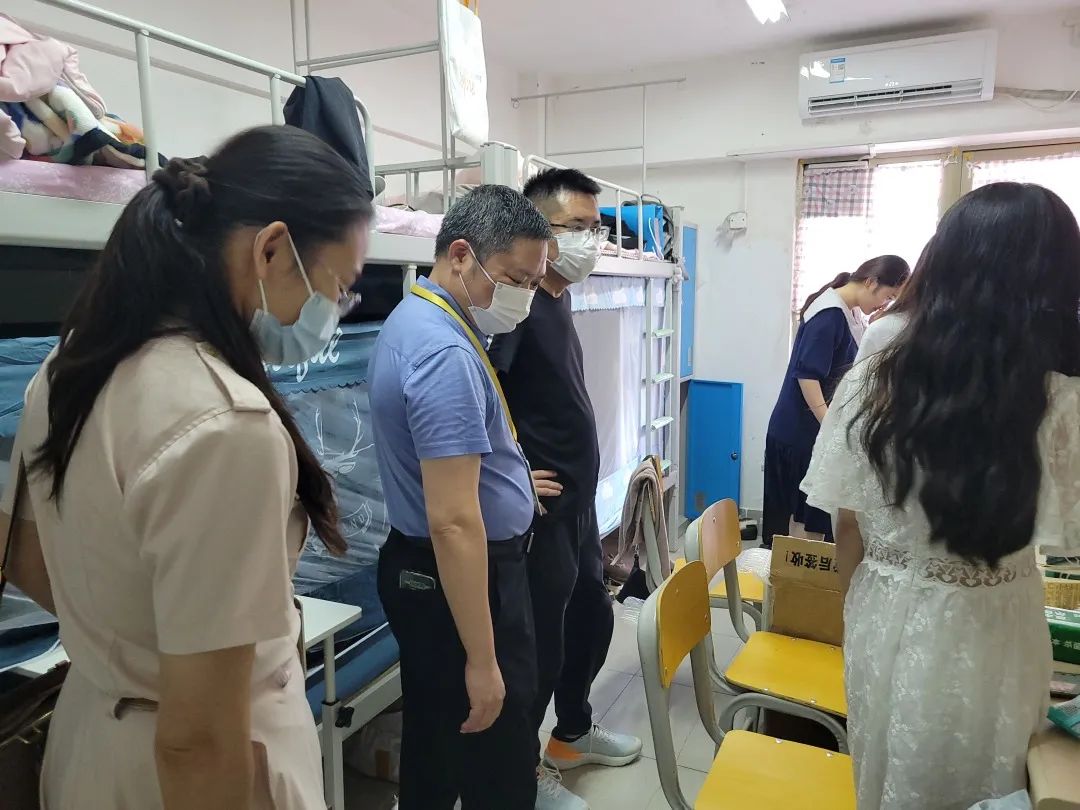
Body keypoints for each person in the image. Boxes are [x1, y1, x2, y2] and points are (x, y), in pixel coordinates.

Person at [0, 125, 372, 809]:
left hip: (91, 736)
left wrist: (124, 642)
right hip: (189, 774)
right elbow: (197, 740)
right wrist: (179, 654)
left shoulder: (67, 366)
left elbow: (21, 553)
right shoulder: (227, 424)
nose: (333, 314)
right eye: (338, 288)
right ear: (270, 249)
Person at [802, 182, 1080, 809]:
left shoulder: (878, 376)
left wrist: (859, 611)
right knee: (982, 782)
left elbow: (848, 520)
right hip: (993, 624)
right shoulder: (1059, 396)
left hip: (883, 607)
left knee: (885, 775)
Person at [369, 185, 552, 810]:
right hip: (461, 577)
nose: (524, 297)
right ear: (461, 256)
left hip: (429, 567)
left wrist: (513, 481)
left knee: (436, 739)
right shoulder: (444, 351)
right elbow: (452, 522)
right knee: (496, 749)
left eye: (534, 283)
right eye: (516, 280)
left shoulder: (419, 318)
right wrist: (483, 658)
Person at [489, 169, 643, 810]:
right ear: (538, 230)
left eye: (595, 228)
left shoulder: (557, 297)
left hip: (576, 506)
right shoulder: (515, 308)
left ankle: (572, 733)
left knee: (593, 616)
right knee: (540, 646)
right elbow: (482, 394)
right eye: (577, 227)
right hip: (541, 509)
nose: (591, 241)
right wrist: (510, 469)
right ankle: (519, 775)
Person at [761, 255, 909, 547]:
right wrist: (831, 426)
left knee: (811, 521)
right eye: (888, 297)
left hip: (806, 429)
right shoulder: (830, 314)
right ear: (871, 282)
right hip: (800, 431)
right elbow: (807, 377)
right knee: (802, 525)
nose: (885, 305)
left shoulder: (848, 312)